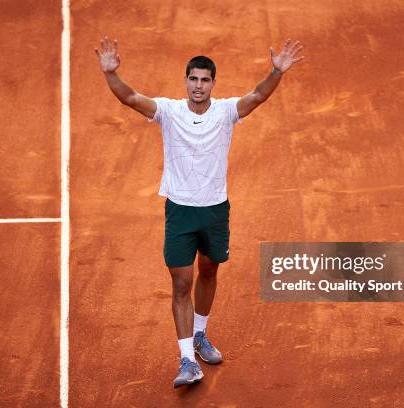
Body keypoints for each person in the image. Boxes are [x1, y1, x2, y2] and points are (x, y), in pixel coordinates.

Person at [95, 36, 304, 388]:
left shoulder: (225, 112)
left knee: (209, 271)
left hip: (215, 211)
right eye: (193, 78)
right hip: (180, 212)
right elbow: (131, 98)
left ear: (213, 84)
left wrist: (276, 72)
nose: (198, 85)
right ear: (185, 81)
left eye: (205, 79)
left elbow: (257, 95)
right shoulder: (168, 111)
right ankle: (187, 361)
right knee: (181, 283)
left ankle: (200, 335)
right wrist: (111, 75)